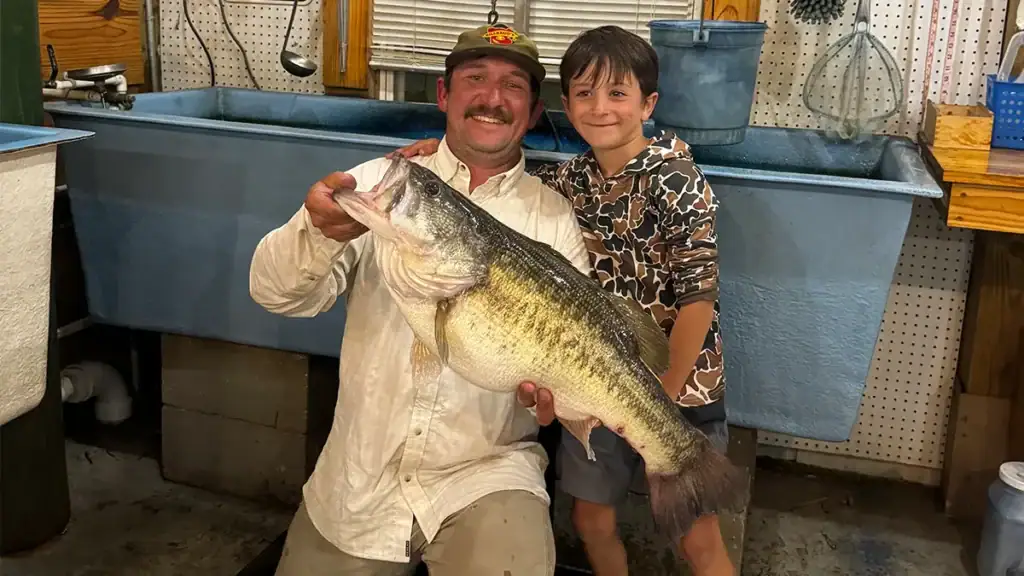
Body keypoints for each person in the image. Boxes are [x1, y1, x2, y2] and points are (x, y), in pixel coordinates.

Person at [249, 22, 592, 576]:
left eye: (513, 86)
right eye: (475, 78)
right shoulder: (381, 184)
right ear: (443, 95)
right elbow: (273, 294)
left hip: (488, 473)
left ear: (531, 113)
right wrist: (317, 231)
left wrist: (555, 396)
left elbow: (571, 359)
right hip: (358, 481)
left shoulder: (551, 218)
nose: (492, 98)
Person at [391, 25, 734, 576]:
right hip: (590, 385)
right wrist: (436, 155)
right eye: (583, 93)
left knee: (698, 537)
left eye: (617, 94)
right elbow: (488, 171)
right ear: (565, 104)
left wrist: (660, 401)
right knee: (591, 521)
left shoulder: (680, 180)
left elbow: (700, 298)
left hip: (681, 388)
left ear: (648, 103)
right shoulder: (569, 180)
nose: (600, 108)